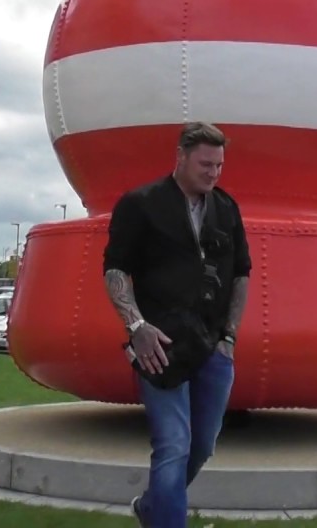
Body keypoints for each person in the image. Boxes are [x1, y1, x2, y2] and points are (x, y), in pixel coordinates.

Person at [102, 122, 250, 528]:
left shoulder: (226, 209)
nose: (213, 173)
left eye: (219, 165)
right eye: (205, 164)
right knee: (173, 445)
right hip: (159, 346)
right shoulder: (140, 204)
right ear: (181, 157)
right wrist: (136, 326)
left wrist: (230, 338)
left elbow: (241, 274)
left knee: (200, 446)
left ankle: (152, 508)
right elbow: (115, 270)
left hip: (213, 347)